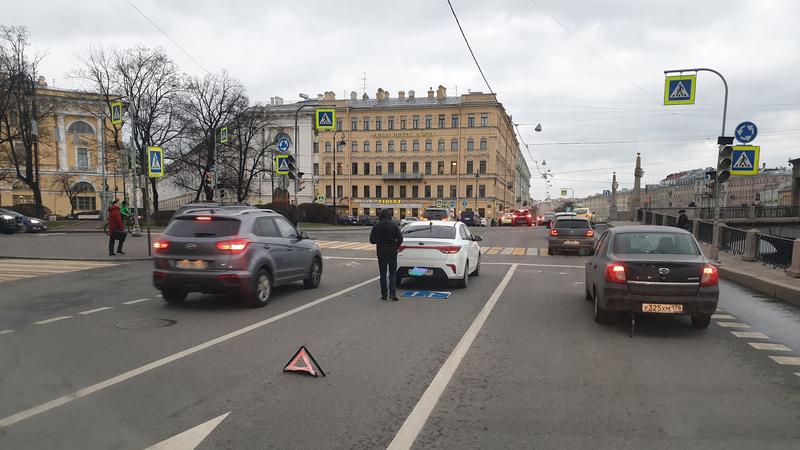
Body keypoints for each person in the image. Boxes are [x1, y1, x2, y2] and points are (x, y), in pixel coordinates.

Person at [369, 209, 403, 301]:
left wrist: (379, 241)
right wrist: (395, 246)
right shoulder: (394, 226)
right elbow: (400, 239)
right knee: (392, 274)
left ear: (380, 216)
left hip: (381, 252)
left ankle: (384, 294)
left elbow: (372, 240)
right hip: (392, 252)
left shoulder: (377, 226)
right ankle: (392, 293)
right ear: (389, 216)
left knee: (383, 274)